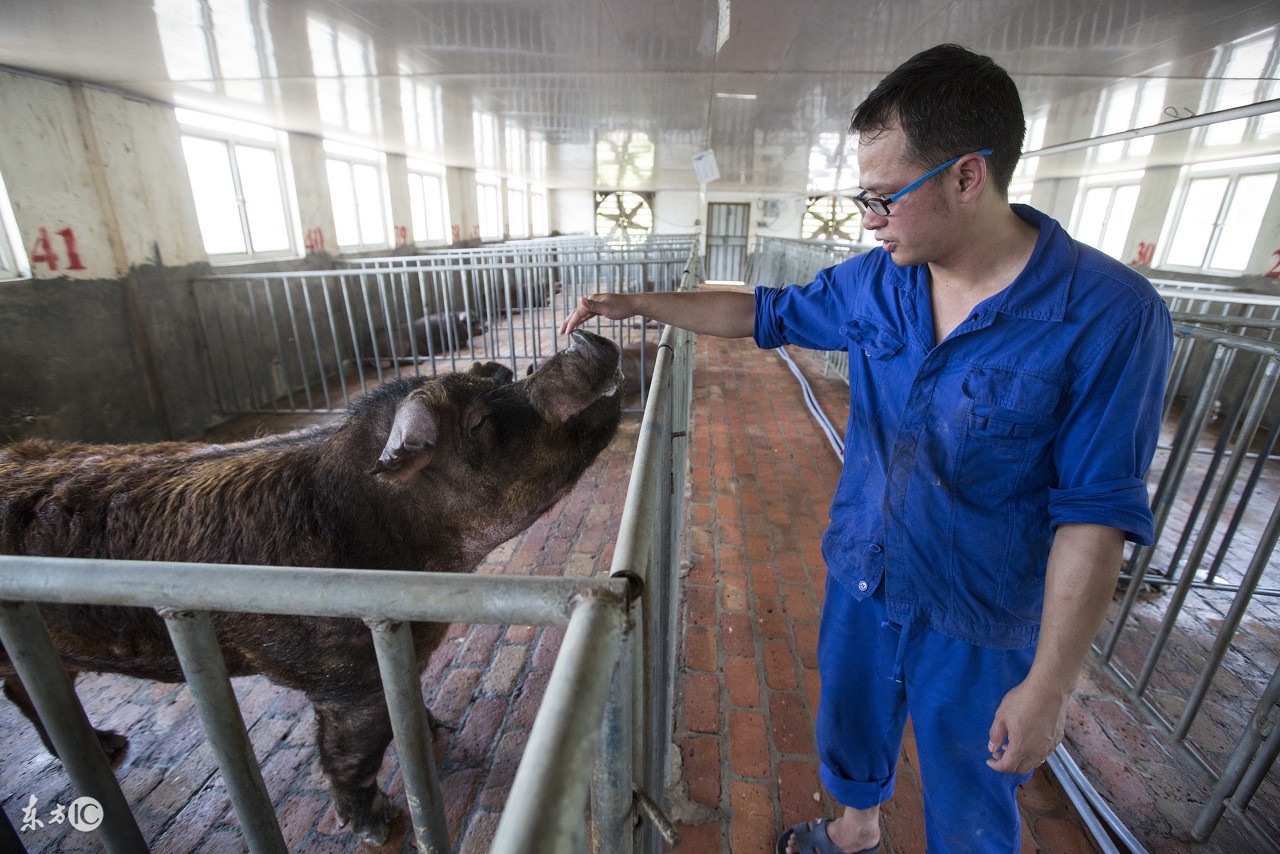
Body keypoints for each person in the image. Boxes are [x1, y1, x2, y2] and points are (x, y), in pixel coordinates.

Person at [561, 43, 1172, 854]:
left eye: (883, 198)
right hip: (866, 569)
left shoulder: (1108, 314)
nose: (867, 220)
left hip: (982, 609)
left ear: (966, 176)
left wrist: (1050, 685)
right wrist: (640, 300)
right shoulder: (878, 281)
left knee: (975, 789)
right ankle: (853, 834)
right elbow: (764, 312)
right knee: (850, 728)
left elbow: (1095, 514)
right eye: (862, 197)